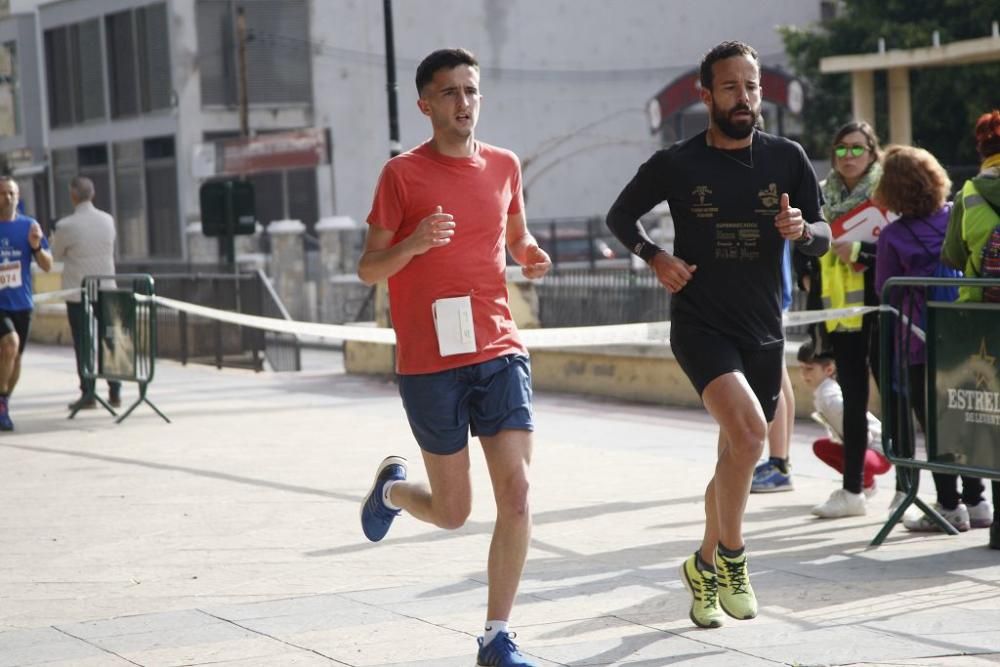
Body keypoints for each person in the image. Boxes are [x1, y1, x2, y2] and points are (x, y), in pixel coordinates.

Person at [606, 41, 830, 630]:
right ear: (706, 95)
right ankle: (732, 558)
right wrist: (654, 256)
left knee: (734, 454)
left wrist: (803, 230)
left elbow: (824, 236)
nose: (744, 97)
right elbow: (619, 218)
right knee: (753, 433)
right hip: (701, 323)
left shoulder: (788, 159)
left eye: (751, 86)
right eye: (730, 87)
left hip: (763, 328)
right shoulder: (678, 162)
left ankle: (701, 565)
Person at [357, 48, 550, 667]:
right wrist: (413, 244)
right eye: (449, 93)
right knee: (453, 511)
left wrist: (530, 253)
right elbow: (368, 269)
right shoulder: (401, 176)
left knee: (517, 493)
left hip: (497, 347)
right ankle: (391, 492)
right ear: (425, 104)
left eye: (470, 91)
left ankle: (497, 636)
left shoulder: (504, 165)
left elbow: (516, 234)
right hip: (429, 361)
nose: (463, 103)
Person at [875, 145, 993, 532]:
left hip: (918, 339)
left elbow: (884, 289)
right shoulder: (954, 215)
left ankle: (947, 504)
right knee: (971, 416)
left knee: (936, 423)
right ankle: (978, 501)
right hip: (965, 334)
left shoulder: (893, 236)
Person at [805, 121, 888, 519]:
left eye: (857, 148)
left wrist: (859, 249)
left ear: (873, 153)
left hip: (885, 309)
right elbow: (807, 246)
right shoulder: (822, 196)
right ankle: (853, 490)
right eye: (841, 149)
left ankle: (914, 490)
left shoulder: (888, 191)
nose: (849, 156)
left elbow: (900, 248)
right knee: (854, 401)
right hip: (842, 314)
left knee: (900, 396)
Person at [941, 109, 1000, 542]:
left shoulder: (970, 192)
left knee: (991, 420)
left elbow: (953, 257)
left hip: (982, 320)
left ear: (981, 149)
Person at [51, 176, 121, 410]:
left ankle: (88, 392)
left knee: (83, 342)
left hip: (77, 290)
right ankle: (115, 389)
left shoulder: (66, 226)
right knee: (109, 337)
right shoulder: (108, 221)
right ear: (93, 194)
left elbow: (56, 255)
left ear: (73, 196)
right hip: (107, 287)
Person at [797, 340, 889, 493]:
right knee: (821, 447)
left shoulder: (831, 399)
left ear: (829, 369)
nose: (803, 374)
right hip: (864, 447)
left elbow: (863, 434)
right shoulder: (824, 393)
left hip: (880, 452)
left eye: (809, 368)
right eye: (801, 368)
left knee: (857, 459)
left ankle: (862, 485)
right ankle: (865, 483)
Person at [0, 176, 52, 430]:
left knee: (16, 359)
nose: (8, 198)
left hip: (22, 301)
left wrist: (36, 247)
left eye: (12, 193)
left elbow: (47, 265)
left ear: (18, 197)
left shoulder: (29, 226)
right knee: (10, 344)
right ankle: (1, 403)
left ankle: (4, 401)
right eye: (3, 193)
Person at [752, 243, 796, 492]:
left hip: (769, 295)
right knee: (779, 376)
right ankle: (781, 461)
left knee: (772, 377)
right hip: (774, 294)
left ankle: (778, 464)